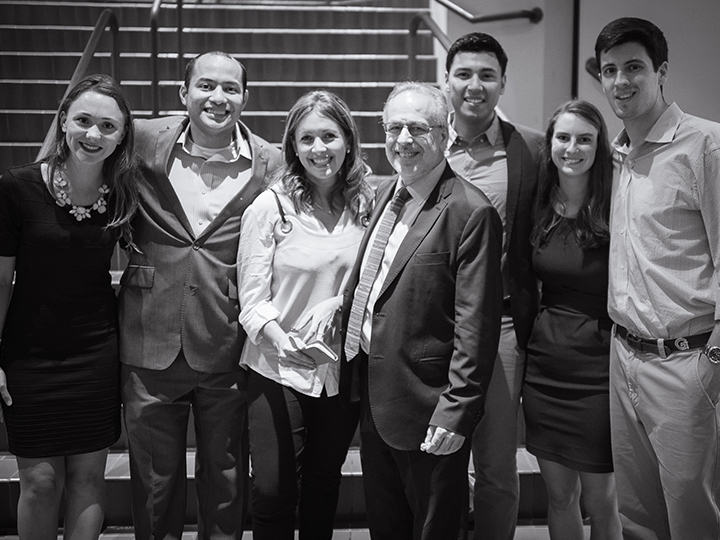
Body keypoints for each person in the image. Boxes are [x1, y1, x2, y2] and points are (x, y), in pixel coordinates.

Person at [118, 51, 281, 540]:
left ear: (245, 98)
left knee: (226, 478)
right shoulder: (141, 139)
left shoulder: (270, 161)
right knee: (153, 482)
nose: (218, 97)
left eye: (231, 88)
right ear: (183, 93)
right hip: (149, 334)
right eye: (206, 86)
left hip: (226, 337)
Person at [340, 81, 504, 539]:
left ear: (447, 131)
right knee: (386, 528)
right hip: (377, 398)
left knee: (435, 530)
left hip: (430, 406)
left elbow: (477, 327)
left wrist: (456, 412)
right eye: (394, 128)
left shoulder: (470, 211)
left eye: (418, 127)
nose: (404, 140)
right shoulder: (388, 196)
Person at [595, 17, 720, 539]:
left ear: (661, 71)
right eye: (609, 70)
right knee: (637, 514)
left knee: (692, 514)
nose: (620, 81)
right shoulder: (619, 154)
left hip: (686, 362)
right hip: (624, 357)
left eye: (633, 67)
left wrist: (712, 358)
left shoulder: (705, 146)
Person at [0, 73, 139, 539]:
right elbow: (0, 280)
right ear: (63, 122)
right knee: (39, 482)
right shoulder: (16, 188)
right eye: (82, 121)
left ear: (122, 136)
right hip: (29, 352)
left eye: (107, 126)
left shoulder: (123, 194)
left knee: (87, 477)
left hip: (95, 351)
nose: (92, 135)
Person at [237, 90, 373, 539]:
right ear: (291, 146)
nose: (319, 149)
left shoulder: (369, 206)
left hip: (342, 370)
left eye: (329, 136)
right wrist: (284, 344)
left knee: (323, 485)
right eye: (307, 138)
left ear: (348, 140)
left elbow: (376, 280)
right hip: (278, 369)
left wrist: (341, 301)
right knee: (274, 493)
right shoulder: (269, 207)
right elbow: (252, 300)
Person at [443, 32, 543, 540]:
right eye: (464, 74)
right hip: (434, 326)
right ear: (447, 82)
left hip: (501, 326)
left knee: (497, 467)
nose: (474, 86)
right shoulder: (418, 143)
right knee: (438, 461)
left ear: (503, 83)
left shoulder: (531, 149)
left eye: (487, 75)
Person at [522, 100, 621, 539]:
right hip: (546, 369)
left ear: (600, 147)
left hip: (600, 370)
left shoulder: (618, 203)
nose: (572, 148)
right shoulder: (538, 202)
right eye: (563, 137)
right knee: (559, 498)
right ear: (550, 144)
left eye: (585, 139)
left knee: (600, 501)